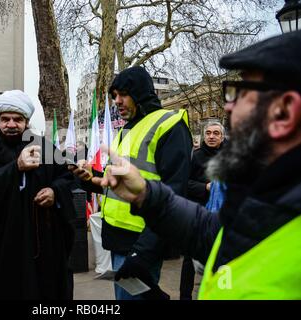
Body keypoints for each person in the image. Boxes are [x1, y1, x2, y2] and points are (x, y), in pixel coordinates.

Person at [93, 30, 301, 299]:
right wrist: (147, 194)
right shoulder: (267, 188)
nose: (227, 107)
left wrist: (143, 251)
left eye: (240, 93)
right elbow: (211, 233)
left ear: (284, 111)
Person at [70, 66, 192, 300]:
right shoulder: (126, 130)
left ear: (140, 92)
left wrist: (145, 249)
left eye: (122, 94)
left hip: (143, 241)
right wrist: (90, 179)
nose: (117, 101)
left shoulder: (169, 125)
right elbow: (117, 186)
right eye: (114, 96)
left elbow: (175, 194)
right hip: (119, 238)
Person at [0, 90, 76, 300]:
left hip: (44, 244)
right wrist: (15, 167)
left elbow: (67, 178)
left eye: (17, 119)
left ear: (26, 121)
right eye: (5, 119)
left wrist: (54, 192)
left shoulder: (44, 147)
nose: (11, 124)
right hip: (5, 244)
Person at [180, 121, 225, 300]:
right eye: (208, 133)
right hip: (197, 212)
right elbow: (185, 182)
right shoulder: (195, 157)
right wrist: (206, 187)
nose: (212, 136)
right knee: (189, 258)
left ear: (222, 137)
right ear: (204, 135)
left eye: (216, 133)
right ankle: (185, 296)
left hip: (223, 215)